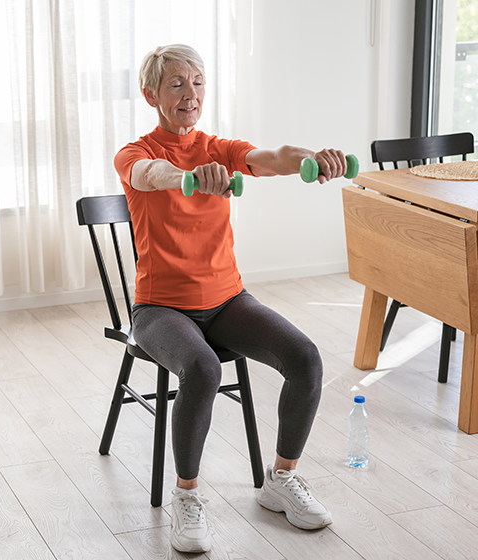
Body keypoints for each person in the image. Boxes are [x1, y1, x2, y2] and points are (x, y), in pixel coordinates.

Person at [113, 44, 343, 554]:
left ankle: (281, 479)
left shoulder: (219, 148)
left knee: (305, 357)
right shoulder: (134, 153)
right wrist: (190, 178)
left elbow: (273, 157)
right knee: (203, 369)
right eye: (176, 84)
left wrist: (311, 158)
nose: (190, 94)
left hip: (226, 301)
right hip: (160, 308)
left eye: (197, 82)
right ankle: (187, 496)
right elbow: (150, 174)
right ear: (151, 95)